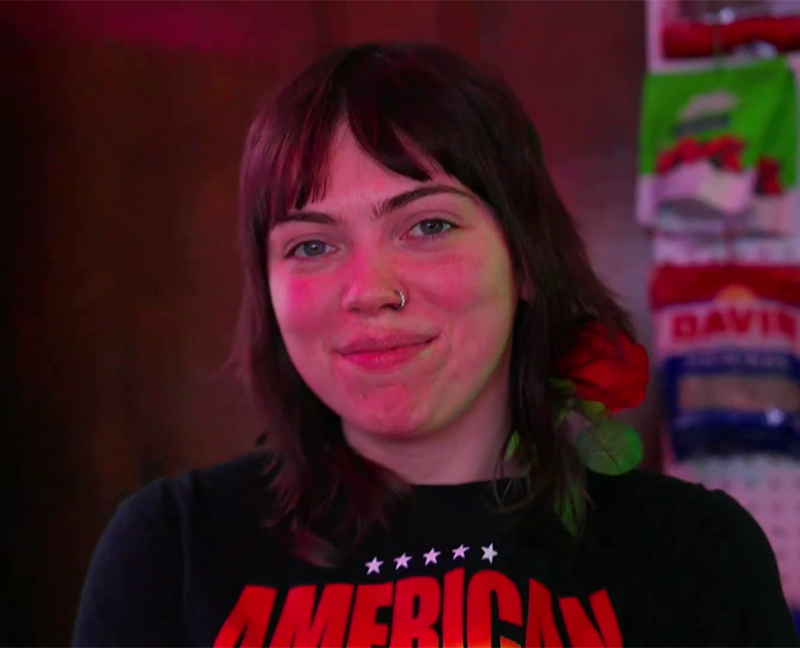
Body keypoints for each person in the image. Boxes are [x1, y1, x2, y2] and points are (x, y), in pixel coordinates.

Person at [73, 42, 798, 647]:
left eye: (427, 226)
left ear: (524, 260)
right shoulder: (173, 549)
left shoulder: (691, 557)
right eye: (312, 245)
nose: (369, 290)